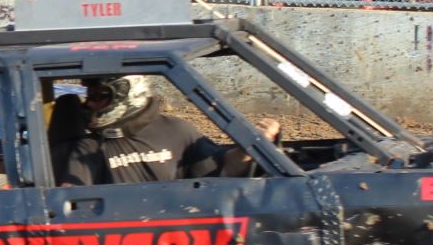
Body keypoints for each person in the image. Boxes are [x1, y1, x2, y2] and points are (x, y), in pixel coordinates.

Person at [50, 75, 280, 186]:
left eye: (98, 96)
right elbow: (71, 198)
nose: (89, 104)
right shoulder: (88, 148)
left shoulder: (177, 131)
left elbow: (222, 170)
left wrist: (250, 147)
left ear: (125, 94)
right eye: (88, 97)